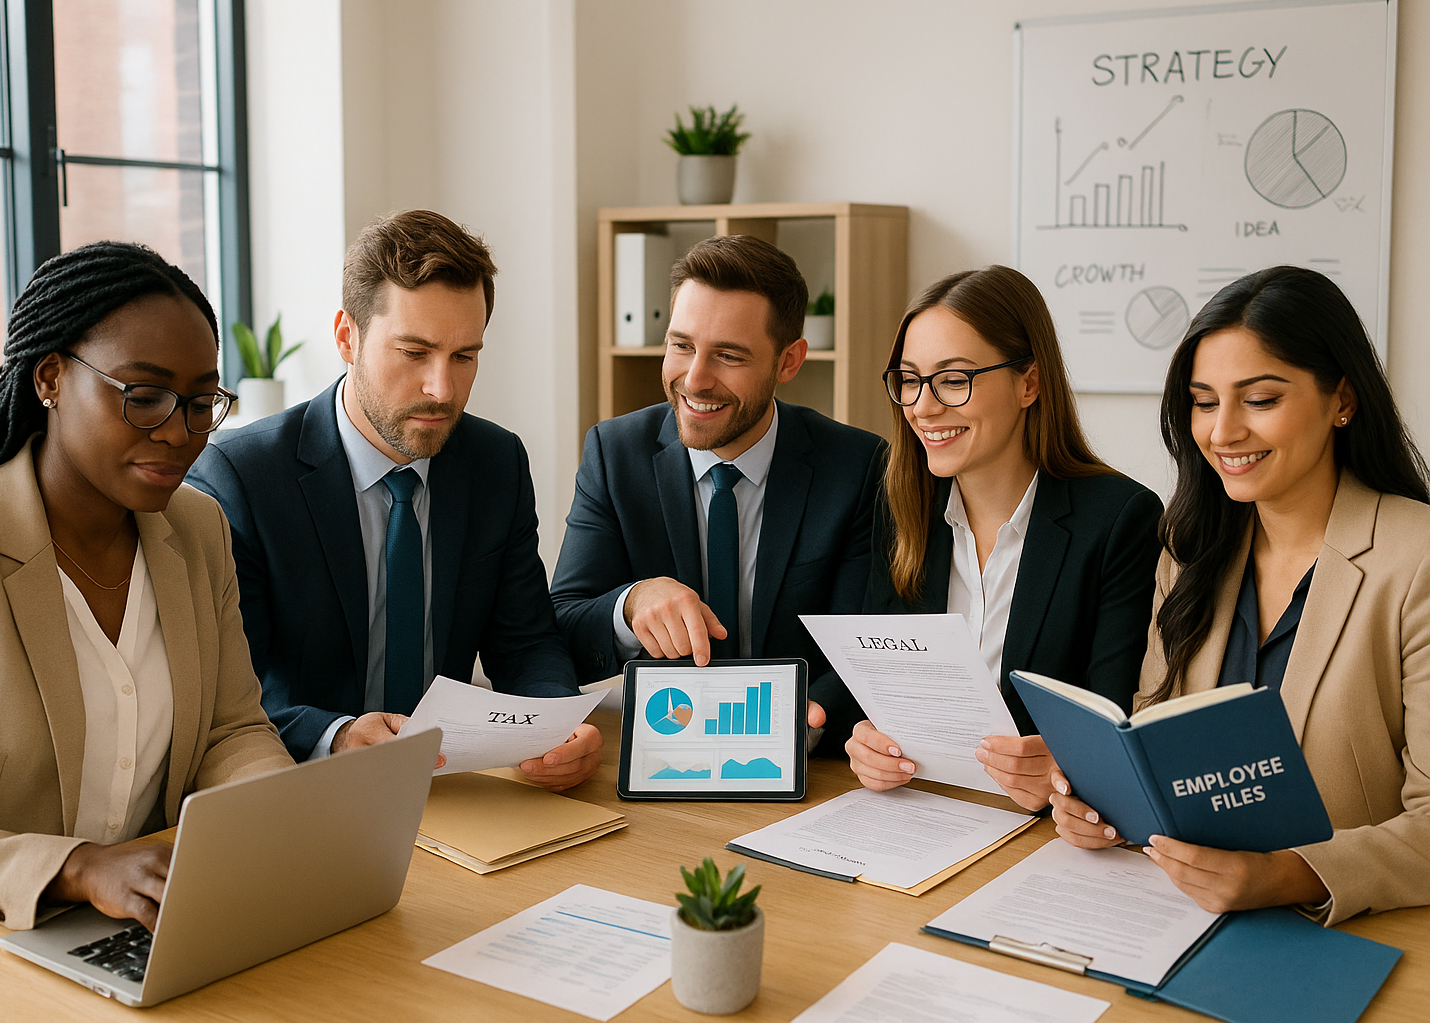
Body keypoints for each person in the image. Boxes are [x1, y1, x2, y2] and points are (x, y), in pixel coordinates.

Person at [0, 242, 293, 932]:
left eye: (201, 403)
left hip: (153, 921)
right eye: (144, 397)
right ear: (50, 377)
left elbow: (232, 731)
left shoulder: (198, 529)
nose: (179, 433)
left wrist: (283, 818)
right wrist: (77, 868)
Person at [1050, 265, 1430, 925]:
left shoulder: (1416, 557)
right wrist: (1099, 800)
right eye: (1203, 402)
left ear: (1342, 399)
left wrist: (1285, 875)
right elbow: (1152, 729)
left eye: (1258, 400)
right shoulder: (1190, 544)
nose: (1223, 432)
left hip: (1352, 928)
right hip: (1174, 908)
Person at [186, 210, 600, 790]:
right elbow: (223, 696)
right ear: (346, 337)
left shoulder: (495, 462)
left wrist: (558, 720)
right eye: (414, 352)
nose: (443, 389)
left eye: (464, 356)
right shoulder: (242, 477)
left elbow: (525, 639)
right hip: (305, 789)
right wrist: (337, 735)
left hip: (451, 786)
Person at [836, 265, 1163, 810]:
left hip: (1046, 835)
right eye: (910, 379)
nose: (923, 406)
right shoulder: (901, 509)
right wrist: (868, 743)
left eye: (953, 379)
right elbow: (882, 692)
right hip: (919, 814)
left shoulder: (1120, 519)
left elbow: (1118, 724)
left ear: (1029, 382)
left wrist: (1064, 769)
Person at [549, 234, 885, 714]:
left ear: (788, 360)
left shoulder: (858, 465)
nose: (695, 379)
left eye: (728, 355)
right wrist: (631, 604)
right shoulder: (614, 452)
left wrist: (813, 713)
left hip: (806, 754)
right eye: (682, 345)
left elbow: (868, 641)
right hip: (662, 739)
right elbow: (560, 628)